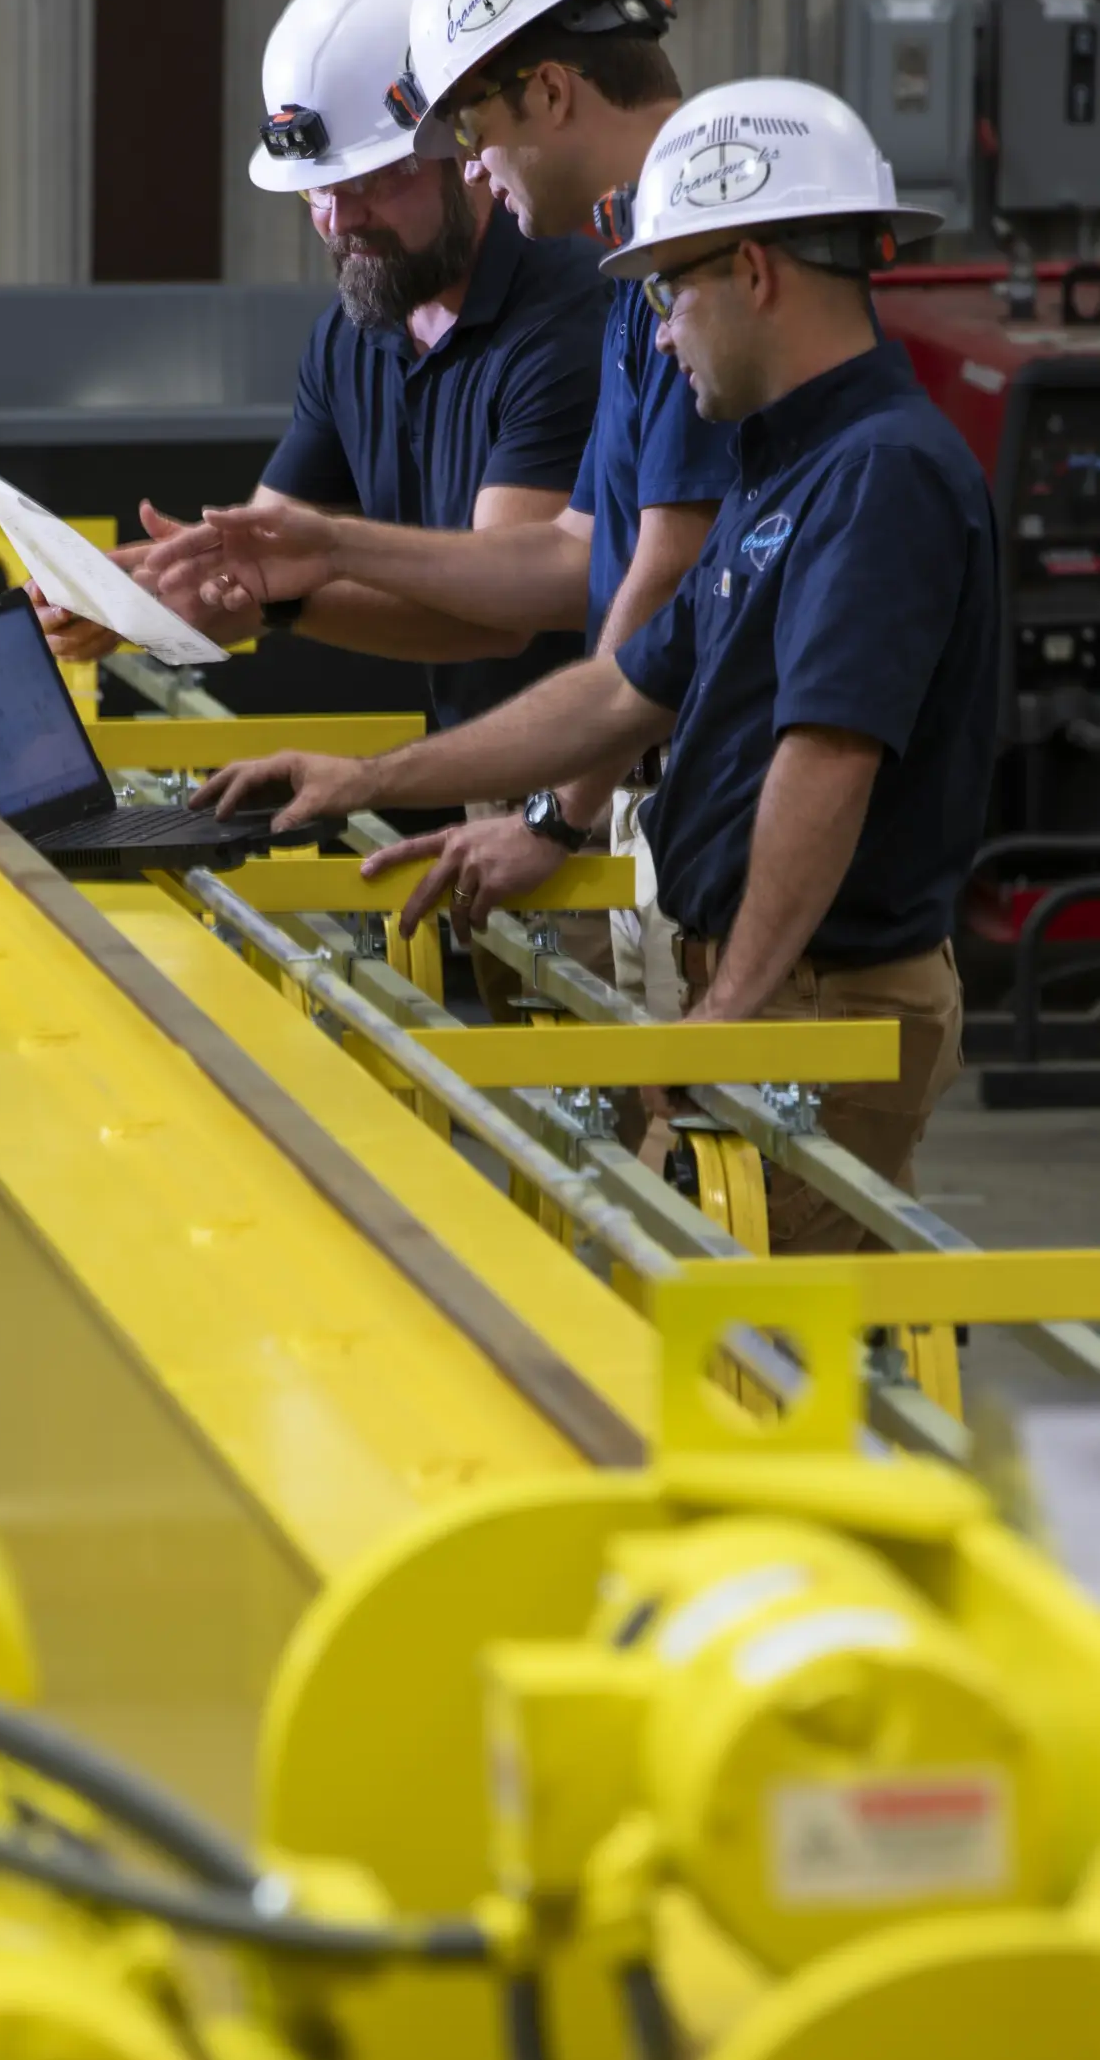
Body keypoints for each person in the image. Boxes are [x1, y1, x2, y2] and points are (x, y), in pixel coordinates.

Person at [190, 81, 997, 1254]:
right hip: (776, 989)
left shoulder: (880, 477)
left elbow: (827, 760)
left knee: (715, 1369)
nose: (660, 334)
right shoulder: (790, 468)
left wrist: (723, 1019)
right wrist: (368, 778)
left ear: (757, 274)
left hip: (821, 1000)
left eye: (672, 294)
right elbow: (620, 689)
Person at [147, 0, 737, 1022]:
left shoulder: (679, 265)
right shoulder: (638, 271)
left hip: (691, 830)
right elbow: (578, 557)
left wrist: (554, 817)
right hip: (632, 820)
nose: (467, 159)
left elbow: (634, 591)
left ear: (552, 94)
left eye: (470, 125)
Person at [38, 0, 609, 995]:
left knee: (624, 1119)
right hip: (493, 784)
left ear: (459, 155)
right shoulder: (356, 329)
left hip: (595, 799)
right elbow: (257, 548)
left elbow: (500, 610)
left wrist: (278, 603)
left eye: (370, 183)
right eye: (317, 192)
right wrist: (131, 594)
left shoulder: (564, 320)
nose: (342, 219)